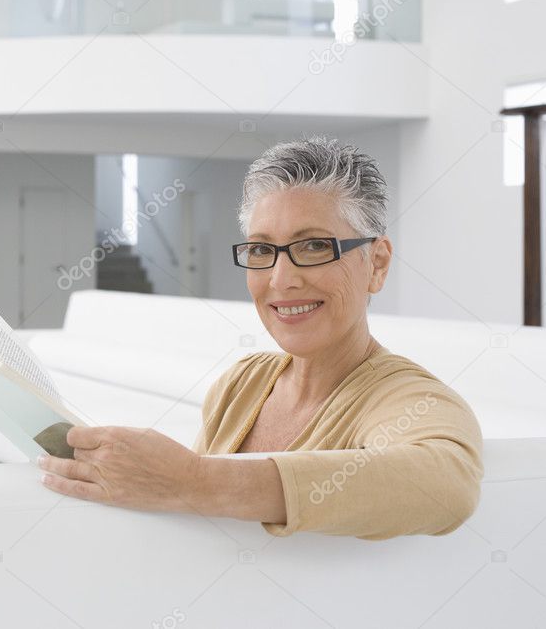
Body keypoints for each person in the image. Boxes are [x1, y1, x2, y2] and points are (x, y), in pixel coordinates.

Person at [37, 136, 483, 540]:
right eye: (261, 250)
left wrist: (192, 480)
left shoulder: (405, 396)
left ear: (378, 263)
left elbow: (447, 485)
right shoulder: (241, 383)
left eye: (313, 246)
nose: (280, 280)